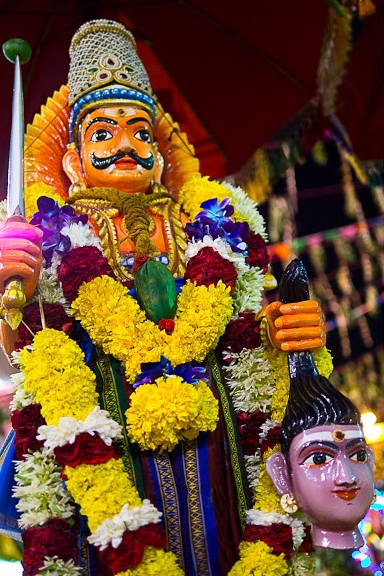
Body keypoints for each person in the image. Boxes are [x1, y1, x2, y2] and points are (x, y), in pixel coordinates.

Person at [0, 20, 328, 576]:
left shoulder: (211, 230)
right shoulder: (47, 236)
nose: (126, 144)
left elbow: (247, 338)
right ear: (73, 158)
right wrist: (11, 294)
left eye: (140, 131)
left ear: (160, 150)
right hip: (108, 450)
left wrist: (289, 332)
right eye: (103, 133)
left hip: (220, 452)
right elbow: (28, 351)